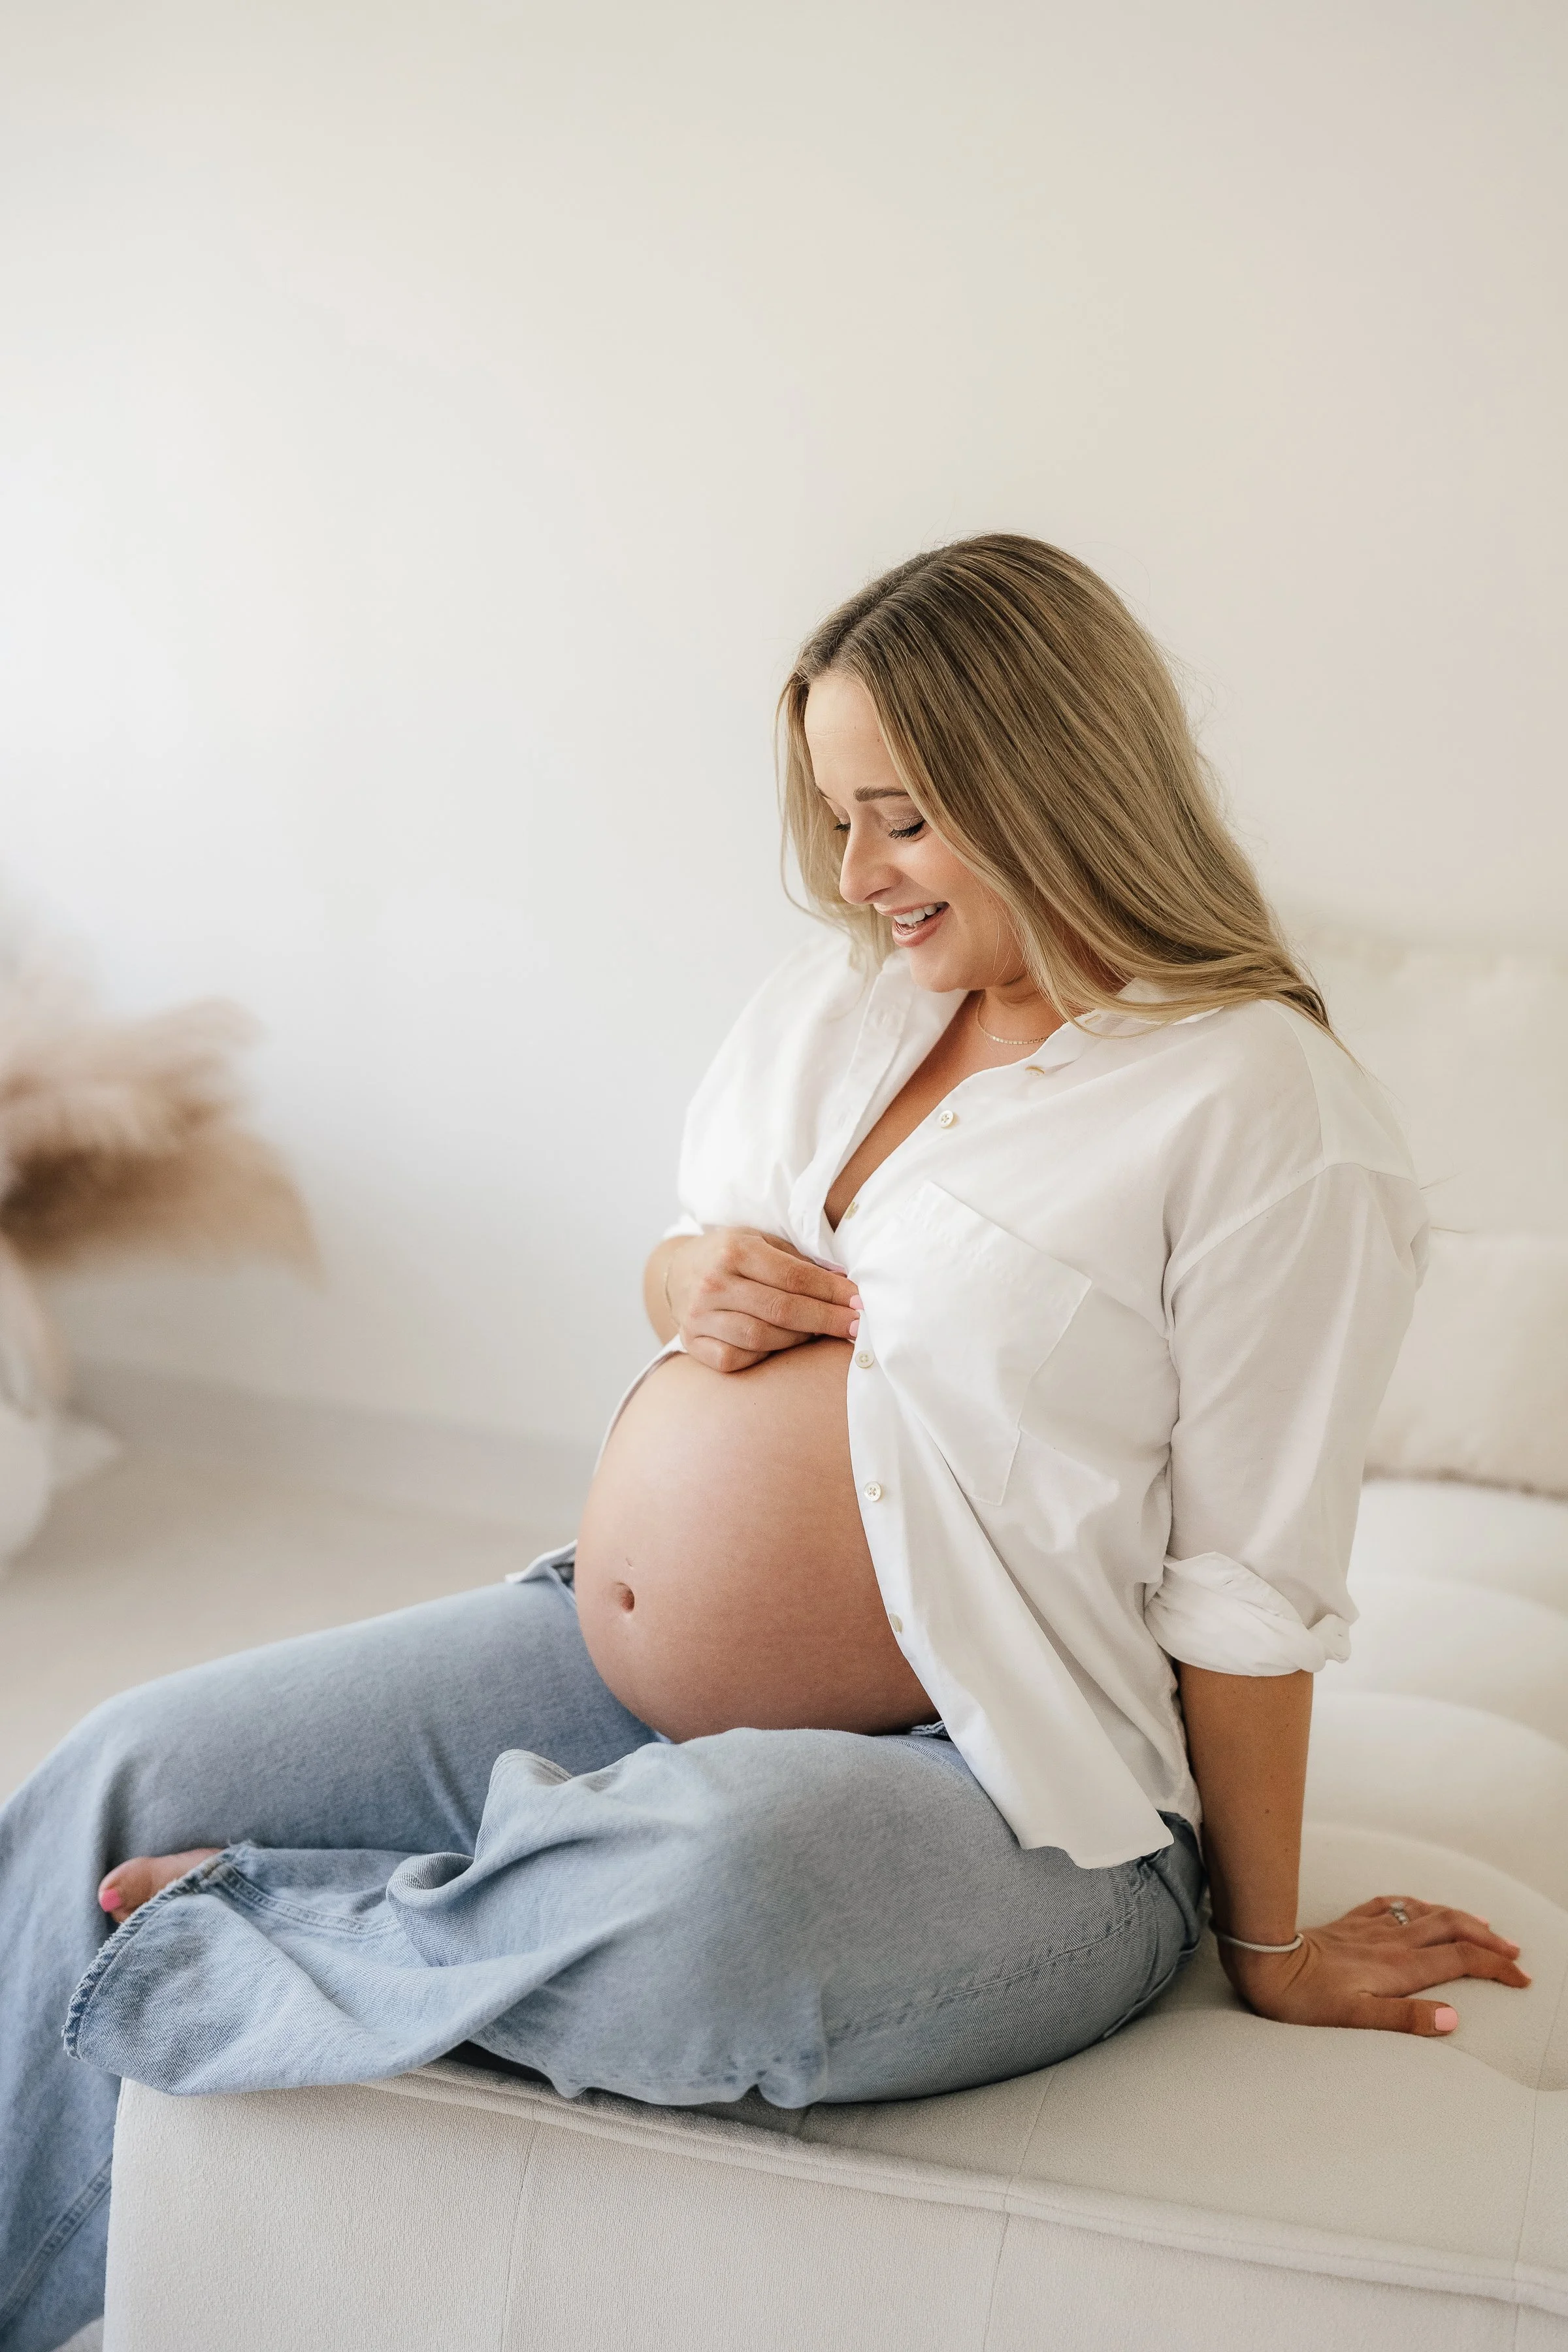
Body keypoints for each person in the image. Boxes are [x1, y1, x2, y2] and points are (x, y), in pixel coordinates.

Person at [0, 535, 1527, 2352]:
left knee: (725, 1890)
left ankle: (349, 1920)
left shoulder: (1265, 1109)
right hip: (614, 1658)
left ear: (1049, 781)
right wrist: (684, 1280)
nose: (859, 876)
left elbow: (1249, 1584)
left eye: (902, 819)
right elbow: (687, 1256)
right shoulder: (844, 1013)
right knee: (123, 1765)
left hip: (1017, 1799)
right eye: (837, 818)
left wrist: (1264, 1951)